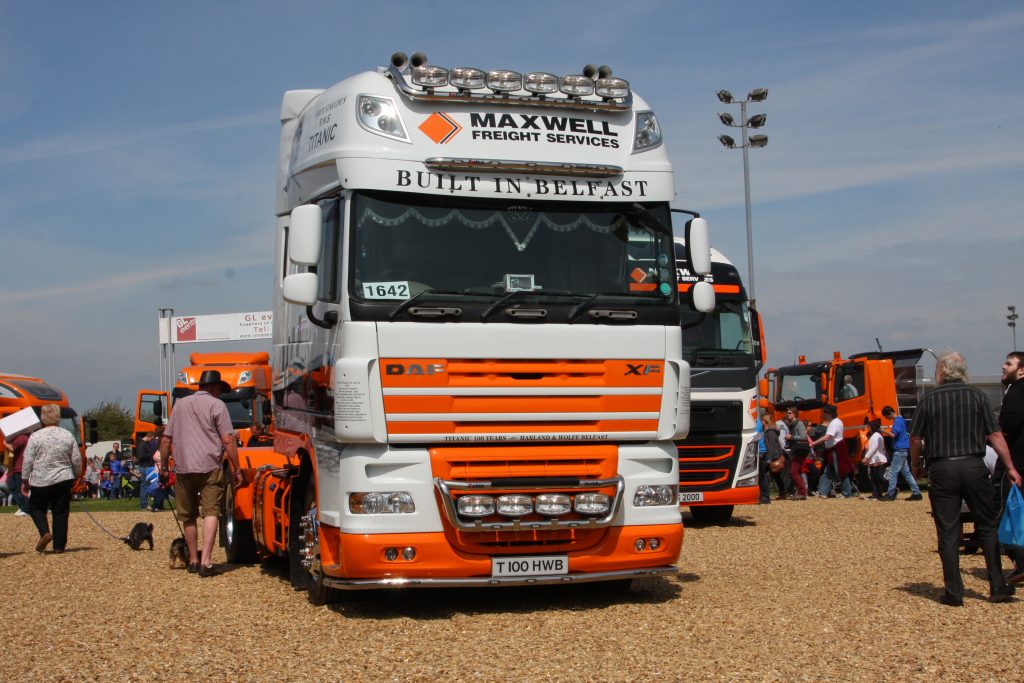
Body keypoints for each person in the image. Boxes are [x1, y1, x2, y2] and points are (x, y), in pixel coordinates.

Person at [910, 350, 1021, 606]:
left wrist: (916, 464)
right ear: (962, 371)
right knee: (987, 525)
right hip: (973, 465)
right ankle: (997, 585)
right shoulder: (978, 396)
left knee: (948, 530)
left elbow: (915, 438)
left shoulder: (929, 400)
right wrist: (1011, 467)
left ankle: (953, 591)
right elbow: (995, 436)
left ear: (941, 371)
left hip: (942, 468)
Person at [159, 370, 244, 577]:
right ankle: (206, 561)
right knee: (211, 512)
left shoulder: (180, 405)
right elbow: (227, 440)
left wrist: (163, 467)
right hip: (210, 466)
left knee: (187, 515)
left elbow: (166, 440)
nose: (220, 394)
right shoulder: (217, 405)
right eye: (220, 390)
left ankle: (193, 560)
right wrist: (237, 468)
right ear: (214, 387)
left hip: (183, 467)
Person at [20, 404, 82, 553]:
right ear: (58, 418)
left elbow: (27, 459)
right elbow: (76, 459)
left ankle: (45, 533)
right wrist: (76, 475)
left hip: (40, 479)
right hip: (63, 477)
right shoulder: (67, 434)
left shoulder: (35, 436)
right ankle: (59, 547)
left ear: (42, 419)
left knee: (35, 507)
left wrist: (24, 479)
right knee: (60, 511)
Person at [995, 351, 1024, 584]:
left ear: (1021, 370)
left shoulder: (1016, 391)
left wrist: (990, 436)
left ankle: (1021, 561)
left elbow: (1008, 426)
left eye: (1009, 363)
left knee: (1007, 513)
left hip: (1016, 464)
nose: (1004, 367)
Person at [810, 404, 854, 498]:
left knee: (840, 470)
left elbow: (828, 436)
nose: (823, 415)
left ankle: (847, 493)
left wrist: (814, 443)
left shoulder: (834, 423)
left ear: (829, 413)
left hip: (836, 450)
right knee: (828, 471)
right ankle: (823, 491)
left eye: (824, 413)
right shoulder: (837, 421)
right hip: (832, 450)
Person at [881, 406, 922, 501]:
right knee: (906, 473)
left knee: (893, 472)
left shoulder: (897, 421)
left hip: (899, 450)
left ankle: (890, 493)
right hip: (904, 449)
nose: (887, 419)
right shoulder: (902, 420)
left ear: (889, 413)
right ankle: (917, 493)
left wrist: (882, 430)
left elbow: (893, 434)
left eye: (886, 416)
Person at [3, 431, 31, 515]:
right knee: (12, 487)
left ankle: (26, 509)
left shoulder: (21, 437)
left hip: (20, 468)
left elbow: (12, 448)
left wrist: (4, 442)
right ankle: (23, 507)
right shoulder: (22, 437)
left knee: (19, 489)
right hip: (16, 468)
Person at [783, 408, 809, 500]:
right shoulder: (791, 424)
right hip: (796, 450)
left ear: (795, 414)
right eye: (787, 413)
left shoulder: (799, 424)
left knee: (793, 471)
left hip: (800, 450)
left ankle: (802, 492)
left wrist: (791, 437)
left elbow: (803, 437)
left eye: (790, 413)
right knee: (796, 471)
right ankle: (801, 492)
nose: (788, 414)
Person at [762, 417, 789, 500]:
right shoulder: (770, 431)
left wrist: (769, 459)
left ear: (765, 421)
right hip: (773, 455)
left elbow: (772, 445)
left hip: (773, 456)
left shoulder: (770, 431)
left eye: (762, 421)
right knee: (776, 476)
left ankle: (764, 494)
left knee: (762, 474)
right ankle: (782, 493)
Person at [861, 419, 888, 499]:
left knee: (880, 477)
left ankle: (892, 488)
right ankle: (876, 493)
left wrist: (866, 458)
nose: (868, 428)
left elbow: (873, 448)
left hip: (879, 460)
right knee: (874, 478)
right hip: (874, 460)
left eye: (868, 426)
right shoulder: (874, 436)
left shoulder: (876, 436)